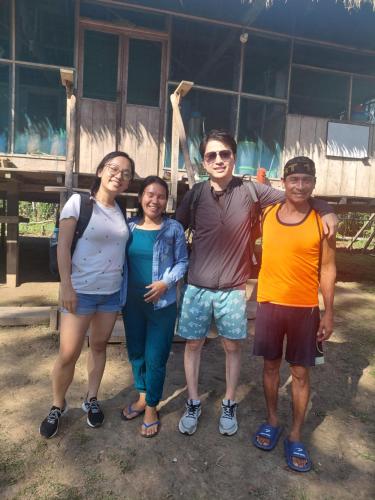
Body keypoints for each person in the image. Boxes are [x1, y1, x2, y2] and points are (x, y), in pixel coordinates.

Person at [175, 130, 337, 437]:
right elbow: (172, 228)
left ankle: (229, 402)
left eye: (225, 154)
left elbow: (298, 195)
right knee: (193, 345)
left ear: (234, 158)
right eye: (212, 155)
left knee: (232, 347)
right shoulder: (195, 194)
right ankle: (193, 401)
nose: (219, 160)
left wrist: (326, 208)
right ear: (203, 161)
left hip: (234, 289)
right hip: (197, 287)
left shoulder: (253, 192)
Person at [39, 151, 134, 439]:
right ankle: (58, 405)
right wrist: (66, 285)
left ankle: (91, 399)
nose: (119, 175)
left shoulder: (121, 211)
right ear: (101, 170)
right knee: (68, 353)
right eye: (113, 168)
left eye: (126, 173)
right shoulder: (78, 203)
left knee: (100, 347)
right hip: (79, 292)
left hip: (109, 293)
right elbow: (63, 246)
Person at [252, 156, 336, 473]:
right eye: (294, 179)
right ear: (283, 183)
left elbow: (328, 268)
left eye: (306, 180)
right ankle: (272, 420)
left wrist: (329, 313)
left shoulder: (322, 221)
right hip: (269, 305)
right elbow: (255, 191)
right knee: (270, 366)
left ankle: (296, 434)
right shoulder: (268, 214)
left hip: (305, 309)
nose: (299, 186)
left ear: (313, 184)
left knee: (300, 374)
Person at [121, 176, 188, 437]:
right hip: (132, 303)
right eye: (150, 194)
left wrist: (165, 283)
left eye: (161, 196)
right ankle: (141, 395)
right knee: (136, 352)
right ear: (140, 197)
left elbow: (183, 262)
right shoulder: (128, 229)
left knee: (156, 357)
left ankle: (151, 406)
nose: (155, 200)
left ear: (166, 201)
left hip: (162, 305)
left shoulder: (173, 229)